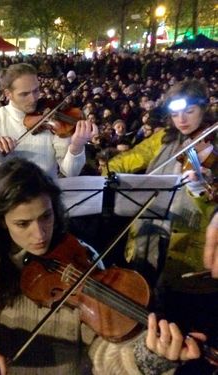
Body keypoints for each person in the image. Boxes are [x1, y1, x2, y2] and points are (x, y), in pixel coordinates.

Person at [0, 158, 204, 375]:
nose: (40, 234)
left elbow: (103, 355)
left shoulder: (82, 257)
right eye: (23, 224)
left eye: (46, 216)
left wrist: (148, 356)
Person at [103, 79, 217, 342]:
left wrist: (206, 179)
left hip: (194, 248)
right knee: (154, 317)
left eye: (189, 111)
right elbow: (123, 161)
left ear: (204, 108)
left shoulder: (212, 143)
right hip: (152, 236)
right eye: (175, 113)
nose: (182, 120)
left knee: (191, 326)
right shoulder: (163, 139)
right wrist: (110, 167)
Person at [0, 63, 96, 179]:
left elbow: (70, 172)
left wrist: (76, 146)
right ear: (8, 94)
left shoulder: (53, 121)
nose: (33, 98)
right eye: (24, 94)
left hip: (44, 194)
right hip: (8, 195)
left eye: (36, 90)